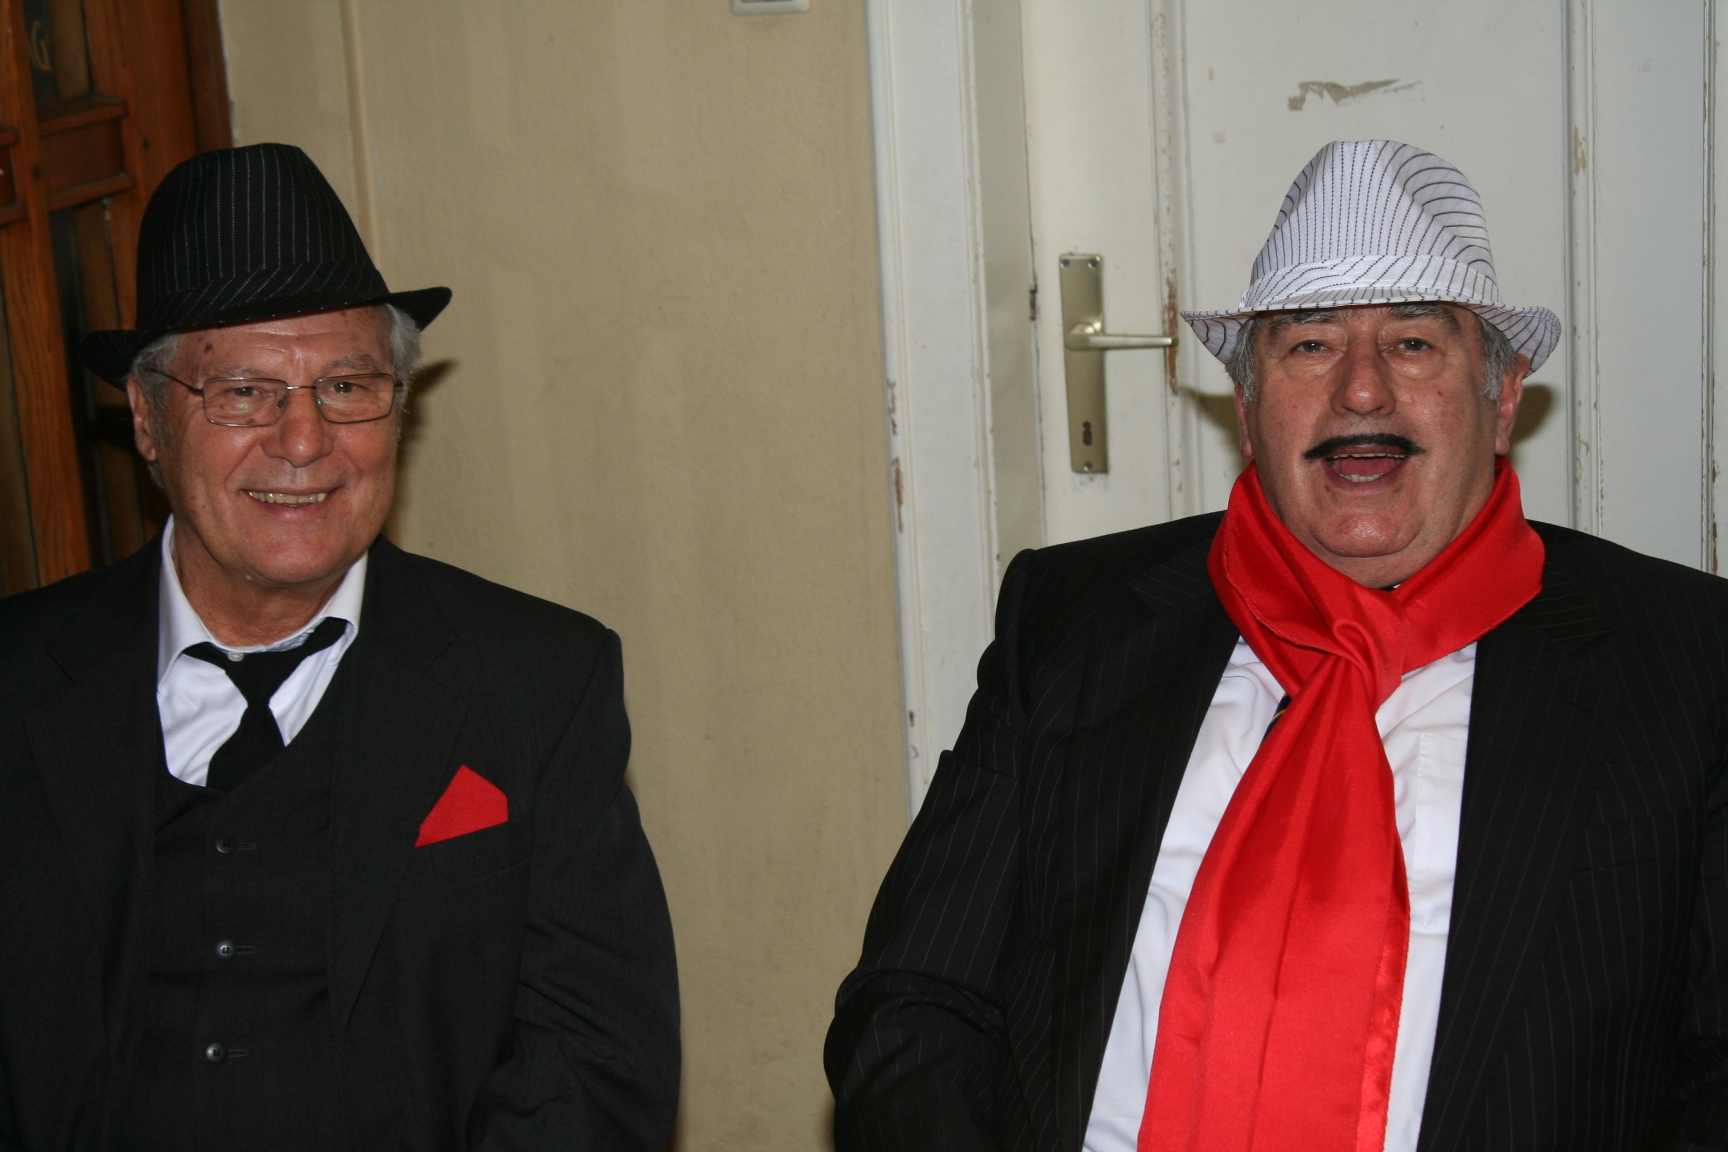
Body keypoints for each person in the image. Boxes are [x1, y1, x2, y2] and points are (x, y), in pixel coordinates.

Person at [826, 140, 1728, 1151]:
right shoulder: (1074, 620)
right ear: (1248, 408)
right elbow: (920, 994)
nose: (1361, 393)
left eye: (1414, 342)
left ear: (1503, 395)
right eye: (1309, 345)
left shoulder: (1685, 662)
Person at [0, 144, 678, 1151]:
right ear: (147, 419)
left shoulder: (536, 684)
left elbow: (594, 1066)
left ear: (398, 409)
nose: (304, 439)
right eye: (244, 392)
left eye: (348, 386)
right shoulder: (16, 683)